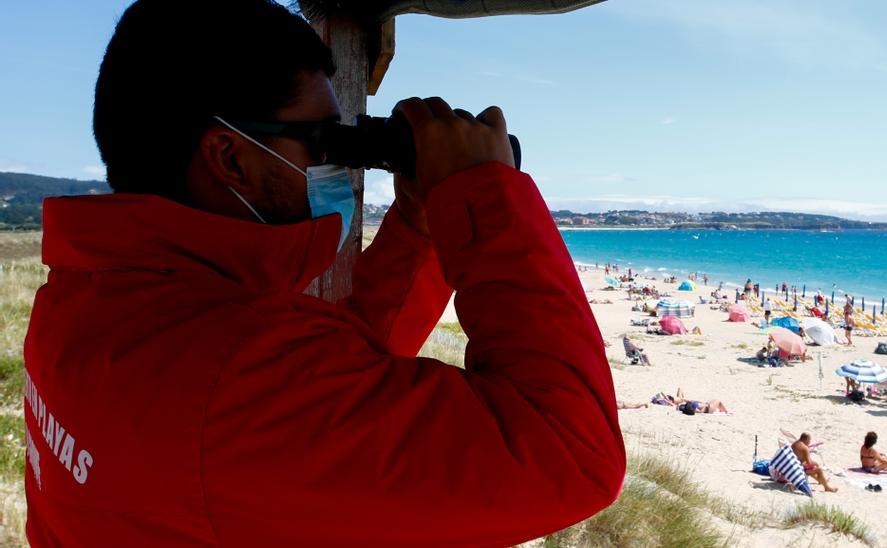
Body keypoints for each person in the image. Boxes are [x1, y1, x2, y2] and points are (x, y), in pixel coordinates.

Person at [23, 2, 625, 544]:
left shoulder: (91, 303)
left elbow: (336, 379)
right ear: (230, 155)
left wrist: (420, 220)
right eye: (321, 142)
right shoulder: (232, 372)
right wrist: (482, 194)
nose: (337, 167)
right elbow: (567, 455)